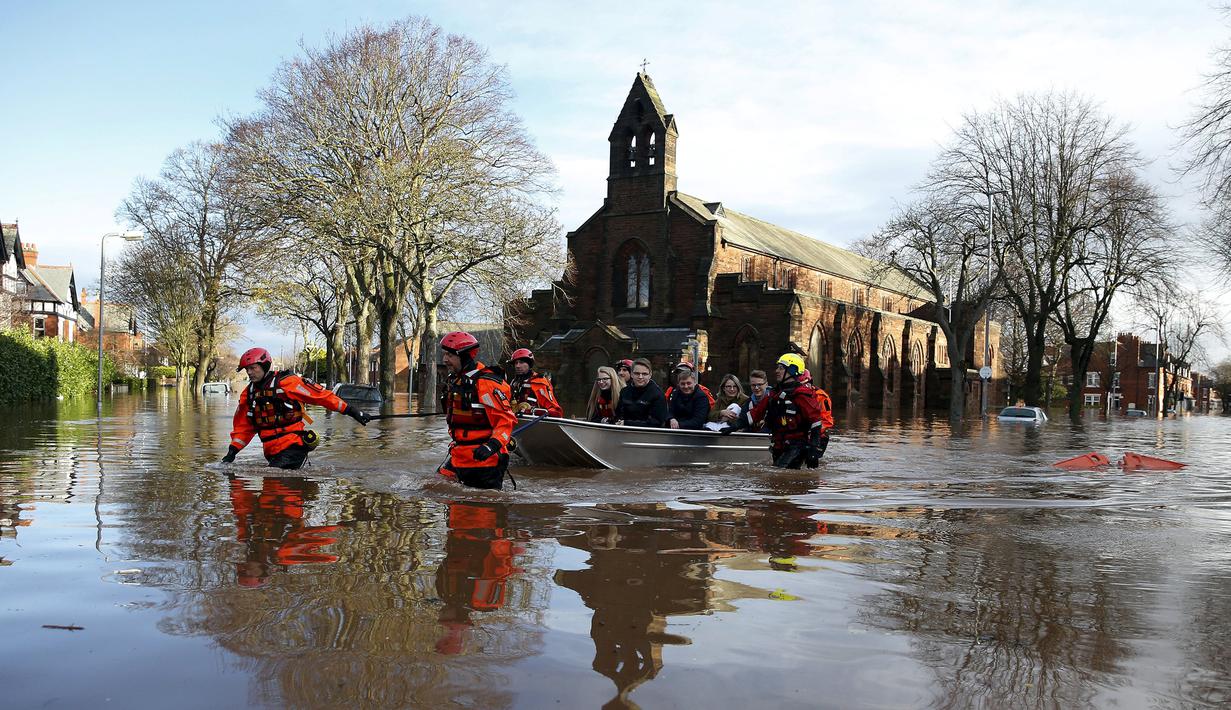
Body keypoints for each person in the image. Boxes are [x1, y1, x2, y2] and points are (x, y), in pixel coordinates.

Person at [222, 347, 369, 470]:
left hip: (293, 445)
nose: (249, 372)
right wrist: (232, 451)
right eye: (247, 369)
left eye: (253, 368)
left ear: (265, 365)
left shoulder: (287, 382)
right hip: (271, 450)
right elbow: (244, 426)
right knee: (269, 496)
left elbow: (321, 396)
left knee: (274, 481)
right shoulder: (248, 394)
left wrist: (351, 411)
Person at [439, 331, 519, 489]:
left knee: (478, 509)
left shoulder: (486, 383)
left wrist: (492, 446)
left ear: (464, 356)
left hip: (484, 457)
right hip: (459, 453)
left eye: (449, 355)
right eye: (445, 354)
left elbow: (505, 420)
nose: (444, 359)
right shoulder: (456, 381)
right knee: (436, 486)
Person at [724, 353, 831, 469]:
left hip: (797, 447)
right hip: (779, 445)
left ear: (792, 370)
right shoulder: (774, 394)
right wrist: (733, 427)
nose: (777, 371)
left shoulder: (802, 394)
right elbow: (756, 413)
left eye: (781, 368)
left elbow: (815, 422)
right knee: (775, 479)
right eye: (777, 368)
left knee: (782, 475)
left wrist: (813, 451)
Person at [507, 347, 564, 417]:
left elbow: (555, 411)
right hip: (515, 420)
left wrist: (535, 412)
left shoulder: (539, 382)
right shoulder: (514, 383)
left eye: (521, 362)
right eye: (516, 363)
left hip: (534, 422)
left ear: (529, 364)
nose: (517, 366)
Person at [614, 358, 669, 428]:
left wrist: (627, 423)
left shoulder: (657, 394)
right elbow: (618, 415)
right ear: (631, 374)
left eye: (644, 374)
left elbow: (656, 423)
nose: (640, 377)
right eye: (637, 373)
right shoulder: (624, 392)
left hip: (649, 435)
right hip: (624, 433)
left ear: (650, 374)